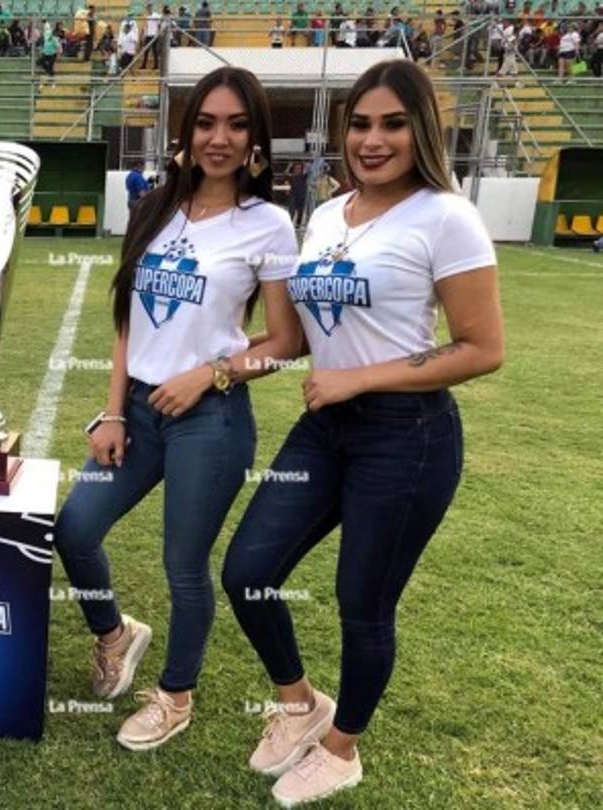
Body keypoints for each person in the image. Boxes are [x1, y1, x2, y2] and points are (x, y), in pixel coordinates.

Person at [222, 59, 504, 806]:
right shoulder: (326, 213)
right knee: (247, 570)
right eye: (360, 124)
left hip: (406, 437)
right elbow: (318, 328)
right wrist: (235, 355)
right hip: (326, 426)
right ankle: (299, 703)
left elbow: (482, 348)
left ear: (422, 131)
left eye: (392, 123)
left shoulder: (447, 215)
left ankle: (342, 749)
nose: (373, 140)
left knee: (362, 603)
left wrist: (362, 377)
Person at [54, 66, 304, 752]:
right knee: (74, 528)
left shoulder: (268, 223)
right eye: (205, 123)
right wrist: (111, 413)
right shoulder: (154, 209)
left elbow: (288, 340)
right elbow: (127, 321)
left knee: (183, 567)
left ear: (256, 137)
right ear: (185, 131)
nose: (218, 138)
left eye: (235, 124)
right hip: (137, 409)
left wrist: (210, 375)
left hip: (210, 419)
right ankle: (115, 633)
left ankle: (174, 697)